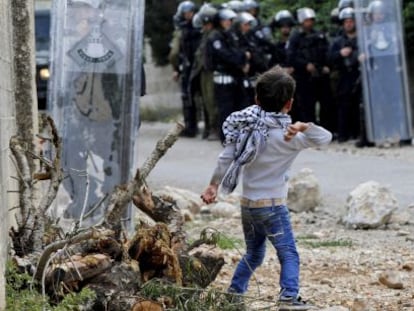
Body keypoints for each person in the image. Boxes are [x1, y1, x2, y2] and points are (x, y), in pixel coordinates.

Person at [201, 66, 332, 311]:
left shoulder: (246, 130)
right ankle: (289, 297)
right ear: (289, 104)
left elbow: (224, 159)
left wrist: (213, 185)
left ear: (257, 99)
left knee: (253, 254)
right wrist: (305, 126)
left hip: (248, 206)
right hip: (273, 207)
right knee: (289, 254)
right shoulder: (289, 136)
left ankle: (234, 295)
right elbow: (325, 139)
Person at [286, 8, 336, 135]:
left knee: (326, 103)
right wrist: (304, 65)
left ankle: (326, 131)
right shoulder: (295, 37)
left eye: (311, 20)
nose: (309, 23)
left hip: (320, 75)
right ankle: (310, 133)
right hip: (304, 77)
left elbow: (326, 52)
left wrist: (326, 66)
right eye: (307, 20)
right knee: (307, 106)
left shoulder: (319, 35)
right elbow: (291, 56)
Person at [205, 8, 251, 142]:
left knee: (240, 108)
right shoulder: (215, 37)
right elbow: (225, 55)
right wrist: (242, 57)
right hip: (223, 79)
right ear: (220, 21)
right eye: (226, 20)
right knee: (226, 110)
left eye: (230, 20)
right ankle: (226, 138)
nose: (229, 22)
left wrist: (242, 60)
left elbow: (237, 50)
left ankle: (239, 136)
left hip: (236, 78)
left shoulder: (230, 35)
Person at [168, 1, 201, 137]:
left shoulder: (199, 29)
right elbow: (177, 53)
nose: (188, 15)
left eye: (190, 12)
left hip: (198, 67)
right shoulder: (181, 30)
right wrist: (177, 69)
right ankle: (190, 127)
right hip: (187, 67)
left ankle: (207, 128)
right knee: (187, 98)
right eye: (186, 13)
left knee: (202, 98)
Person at [329, 6, 360, 143]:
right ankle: (343, 135)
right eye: (346, 21)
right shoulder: (337, 41)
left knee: (358, 105)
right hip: (343, 76)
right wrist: (340, 54)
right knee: (343, 105)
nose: (349, 24)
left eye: (351, 21)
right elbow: (329, 58)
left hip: (359, 75)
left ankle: (358, 134)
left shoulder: (361, 38)